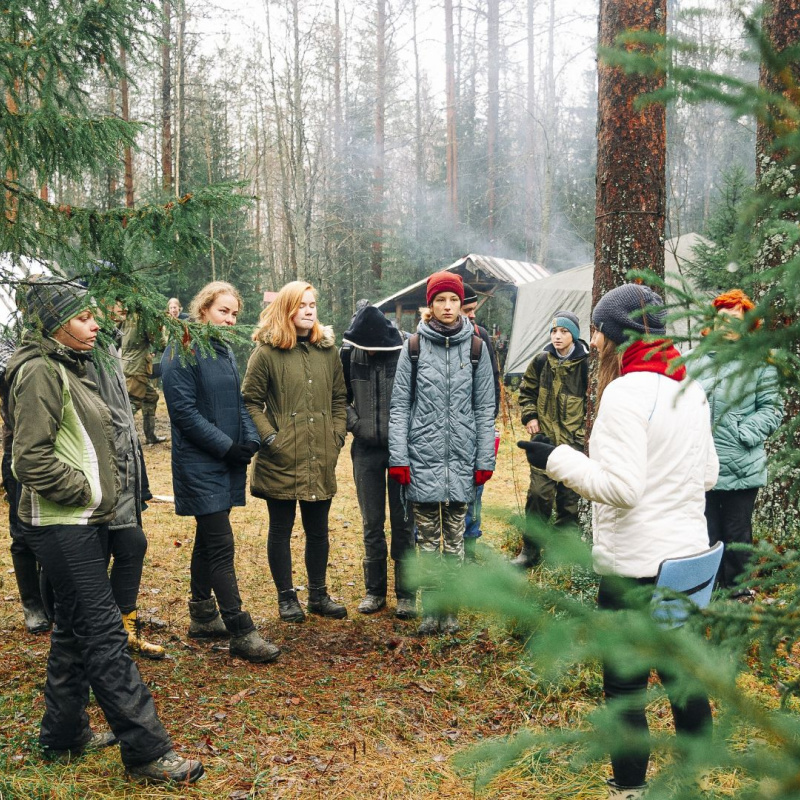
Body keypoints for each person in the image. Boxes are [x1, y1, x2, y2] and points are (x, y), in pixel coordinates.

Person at [519, 284, 718, 799]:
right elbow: (710, 474)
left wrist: (555, 458)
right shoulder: (689, 387)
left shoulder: (624, 394)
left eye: (598, 330)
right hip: (691, 560)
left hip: (635, 568)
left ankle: (628, 789)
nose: (594, 339)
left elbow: (622, 490)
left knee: (625, 690)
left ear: (612, 336)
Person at [7, 278, 203, 783]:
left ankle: (63, 734)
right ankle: (147, 752)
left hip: (80, 519)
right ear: (54, 325)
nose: (95, 325)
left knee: (72, 630)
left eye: (93, 316)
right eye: (82, 318)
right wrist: (85, 491)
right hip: (61, 522)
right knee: (104, 633)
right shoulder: (38, 373)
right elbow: (29, 457)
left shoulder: (69, 365)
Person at [161, 281, 279, 663]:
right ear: (203, 310)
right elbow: (184, 413)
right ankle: (241, 630)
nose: (229, 320)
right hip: (199, 464)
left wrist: (249, 440)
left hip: (226, 461)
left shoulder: (225, 350)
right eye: (222, 311)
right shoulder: (181, 349)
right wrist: (226, 447)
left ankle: (202, 614)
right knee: (221, 543)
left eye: (233, 314)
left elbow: (240, 402)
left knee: (208, 539)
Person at [388, 271, 496, 636]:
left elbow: (485, 409)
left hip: (463, 459)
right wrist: (399, 458)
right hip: (421, 457)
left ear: (461, 303)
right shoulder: (413, 347)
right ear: (430, 306)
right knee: (427, 540)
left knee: (456, 539)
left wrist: (484, 460)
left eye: (453, 300)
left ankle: (451, 609)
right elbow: (400, 407)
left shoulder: (477, 347)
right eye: (440, 301)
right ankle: (430, 608)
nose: (447, 307)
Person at [242, 281, 348, 623]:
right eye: (301, 305)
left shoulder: (328, 351)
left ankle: (318, 594)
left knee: (318, 529)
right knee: (281, 529)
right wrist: (272, 438)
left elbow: (338, 399)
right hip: (281, 458)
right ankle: (287, 598)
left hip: (320, 454)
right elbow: (250, 401)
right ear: (287, 309)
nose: (308, 310)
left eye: (312, 304)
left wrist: (337, 436)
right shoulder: (267, 352)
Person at [689, 289, 782, 596]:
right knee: (705, 531)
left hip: (741, 466)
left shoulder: (762, 364)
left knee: (737, 533)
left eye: (735, 319)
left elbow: (772, 409)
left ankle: (740, 593)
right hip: (700, 465)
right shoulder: (695, 362)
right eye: (722, 318)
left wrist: (744, 433)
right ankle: (709, 592)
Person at [88, 300, 164, 658]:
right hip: (98, 472)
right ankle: (93, 635)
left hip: (126, 468)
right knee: (94, 556)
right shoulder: (85, 347)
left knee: (133, 544)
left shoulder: (108, 341)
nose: (117, 307)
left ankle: (124, 630)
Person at [340, 304, 416, 619]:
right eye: (364, 349)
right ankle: (374, 591)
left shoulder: (406, 351)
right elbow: (338, 397)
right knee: (372, 522)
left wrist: (405, 432)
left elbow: (419, 397)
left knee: (404, 522)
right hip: (365, 450)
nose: (369, 353)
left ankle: (407, 594)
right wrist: (357, 424)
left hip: (402, 451)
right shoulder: (347, 354)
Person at [512, 309, 589, 568]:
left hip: (573, 446)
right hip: (543, 442)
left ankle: (561, 556)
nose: (558, 336)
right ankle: (530, 552)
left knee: (569, 503)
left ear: (575, 335)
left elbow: (593, 405)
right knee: (538, 496)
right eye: (554, 331)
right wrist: (530, 416)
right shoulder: (541, 361)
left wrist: (580, 438)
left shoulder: (587, 365)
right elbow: (526, 391)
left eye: (564, 331)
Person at [1, 335, 50, 633]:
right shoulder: (10, 335)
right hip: (18, 450)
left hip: (57, 449)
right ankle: (32, 604)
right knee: (22, 533)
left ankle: (52, 599)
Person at [460, 283, 501, 563]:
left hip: (477, 426)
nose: (473, 316)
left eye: (474, 310)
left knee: (475, 489)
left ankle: (471, 546)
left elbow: (493, 381)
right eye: (468, 310)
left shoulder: (480, 336)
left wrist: (488, 421)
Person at [122, 311, 165, 444]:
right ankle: (119, 435)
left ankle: (150, 436)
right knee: (133, 403)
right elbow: (159, 343)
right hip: (138, 367)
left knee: (151, 397)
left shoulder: (127, 316)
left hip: (127, 364)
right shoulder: (145, 317)